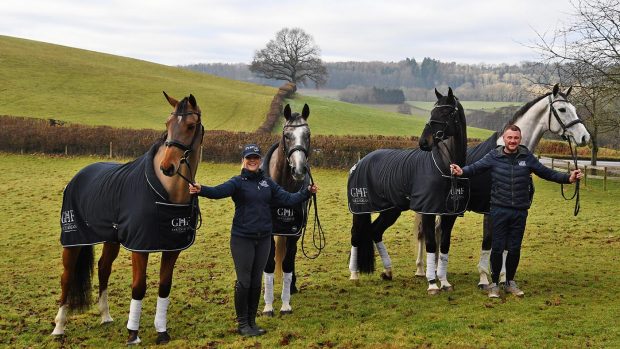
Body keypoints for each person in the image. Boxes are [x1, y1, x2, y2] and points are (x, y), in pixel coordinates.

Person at [189, 144, 317, 336]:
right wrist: (201, 189)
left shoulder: (267, 182)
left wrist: (306, 192)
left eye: (255, 158)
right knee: (244, 281)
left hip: (264, 239)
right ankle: (243, 324)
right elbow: (218, 191)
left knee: (256, 281)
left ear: (260, 161)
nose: (252, 161)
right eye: (249, 158)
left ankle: (252, 322)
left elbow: (288, 199)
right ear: (243, 160)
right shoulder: (237, 182)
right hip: (242, 239)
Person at [450, 125, 582, 298]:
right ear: (504, 139)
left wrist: (568, 178)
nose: (512, 141)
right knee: (497, 248)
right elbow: (475, 168)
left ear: (520, 139)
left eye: (516, 138)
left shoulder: (526, 157)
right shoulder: (494, 156)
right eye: (509, 138)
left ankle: (510, 282)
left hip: (519, 211)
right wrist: (461, 171)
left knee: (514, 248)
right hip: (498, 209)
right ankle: (495, 284)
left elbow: (546, 173)